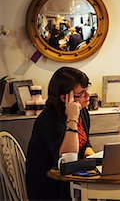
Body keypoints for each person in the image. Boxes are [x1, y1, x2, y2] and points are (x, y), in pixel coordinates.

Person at [26, 67, 95, 200]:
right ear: (65, 98)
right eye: (81, 93)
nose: (87, 96)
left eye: (87, 90)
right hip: (51, 188)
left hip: (72, 182)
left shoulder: (83, 112)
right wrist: (72, 119)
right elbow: (67, 159)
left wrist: (101, 160)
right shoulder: (49, 120)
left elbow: (85, 145)